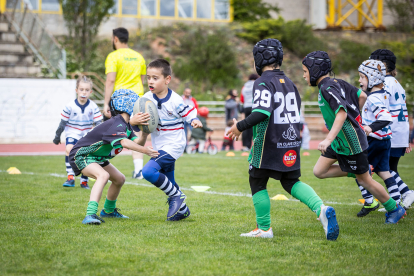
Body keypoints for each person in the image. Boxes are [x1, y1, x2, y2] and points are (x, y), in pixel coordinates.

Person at [227, 39, 339, 240]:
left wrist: (239, 126)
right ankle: (321, 209)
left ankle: (264, 229)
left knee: (257, 181)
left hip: (269, 142)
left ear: (259, 60)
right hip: (290, 141)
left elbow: (261, 112)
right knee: (290, 182)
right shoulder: (290, 83)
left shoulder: (261, 82)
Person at [302, 51, 406, 224]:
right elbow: (362, 96)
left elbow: (341, 113)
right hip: (339, 141)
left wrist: (329, 138)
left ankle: (394, 208)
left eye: (305, 71)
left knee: (365, 181)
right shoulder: (338, 83)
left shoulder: (328, 87)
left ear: (314, 70)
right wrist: (357, 117)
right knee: (319, 171)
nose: (304, 75)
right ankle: (358, 169)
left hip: (351, 142)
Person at [69, 90, 159, 225]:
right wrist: (145, 151)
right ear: (128, 105)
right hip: (82, 155)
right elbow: (124, 142)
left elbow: (136, 143)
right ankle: (90, 214)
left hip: (97, 157)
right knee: (103, 176)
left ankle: (109, 211)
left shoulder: (126, 125)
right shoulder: (117, 123)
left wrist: (145, 134)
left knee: (119, 179)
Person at [140, 59, 203, 221]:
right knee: (169, 180)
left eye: (155, 78)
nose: (150, 81)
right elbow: (138, 119)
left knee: (148, 172)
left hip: (174, 145)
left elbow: (188, 112)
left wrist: (193, 120)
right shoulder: (146, 98)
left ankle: (177, 197)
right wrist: (135, 122)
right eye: (148, 77)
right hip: (159, 145)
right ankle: (182, 210)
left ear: (167, 80)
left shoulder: (175, 100)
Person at [365, 49, 414, 209]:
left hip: (389, 132)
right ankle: (397, 199)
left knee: (381, 169)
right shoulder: (397, 83)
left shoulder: (384, 84)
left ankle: (404, 194)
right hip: (400, 132)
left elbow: (382, 109)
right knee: (386, 168)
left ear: (383, 65)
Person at [103, 27, 147, 180]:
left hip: (120, 102)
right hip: (137, 99)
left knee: (111, 133)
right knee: (136, 134)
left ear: (115, 39)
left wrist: (105, 103)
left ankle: (99, 166)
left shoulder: (113, 56)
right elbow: (141, 81)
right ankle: (138, 171)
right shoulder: (139, 57)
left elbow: (110, 81)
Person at [53, 75, 103, 189]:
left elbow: (99, 123)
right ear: (76, 91)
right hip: (72, 132)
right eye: (81, 89)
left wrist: (99, 137)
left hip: (87, 134)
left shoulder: (93, 106)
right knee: (69, 149)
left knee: (85, 154)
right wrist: (57, 136)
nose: (83, 92)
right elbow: (62, 123)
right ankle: (70, 177)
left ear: (90, 91)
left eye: (86, 90)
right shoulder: (69, 106)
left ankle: (84, 180)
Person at [240, 74, 259, 151]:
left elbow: (242, 99)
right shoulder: (257, 84)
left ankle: (245, 146)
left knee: (246, 126)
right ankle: (255, 145)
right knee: (254, 126)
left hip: (246, 107)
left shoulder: (244, 87)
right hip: (254, 106)